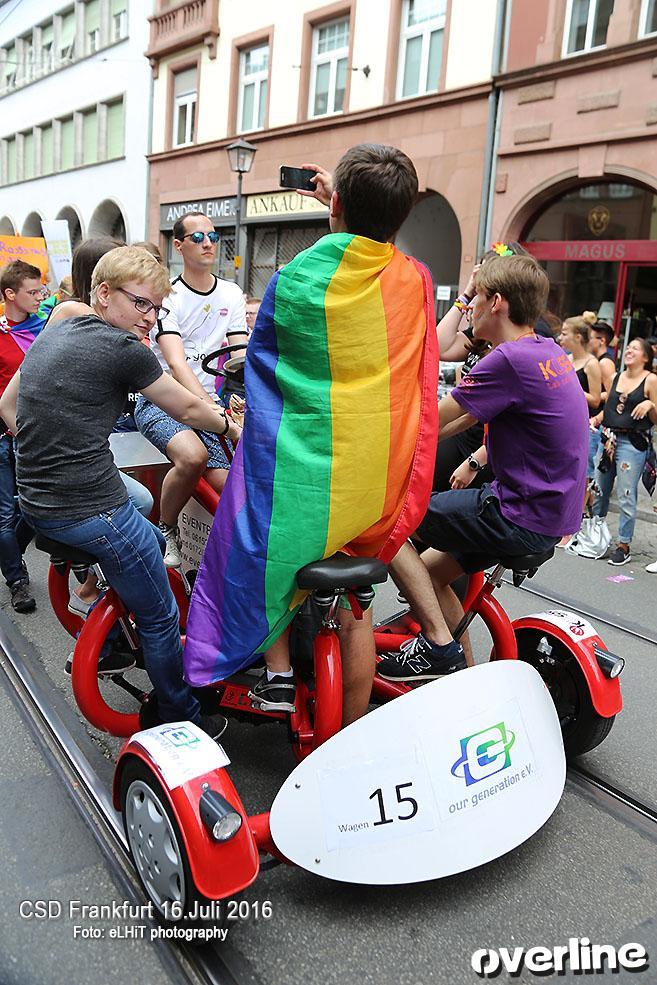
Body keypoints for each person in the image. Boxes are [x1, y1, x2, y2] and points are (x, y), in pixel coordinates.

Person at [184, 145, 439, 724]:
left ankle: (267, 675)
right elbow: (382, 256)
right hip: (373, 495)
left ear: (337, 201)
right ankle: (348, 732)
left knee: (242, 541)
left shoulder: (295, 278)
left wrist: (339, 210)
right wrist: (350, 209)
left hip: (301, 497)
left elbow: (264, 370)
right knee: (354, 610)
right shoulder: (415, 279)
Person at [0, 247, 240, 732]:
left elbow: (8, 404)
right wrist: (234, 429)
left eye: (157, 308)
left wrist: (47, 454)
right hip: (89, 508)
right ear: (105, 293)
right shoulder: (124, 349)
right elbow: (188, 410)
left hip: (37, 501)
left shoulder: (61, 321)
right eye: (141, 303)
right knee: (161, 614)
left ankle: (107, 629)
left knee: (146, 512)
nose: (149, 318)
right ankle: (181, 714)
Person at [377, 254, 589, 682]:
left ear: (496, 302)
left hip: (518, 514)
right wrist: (417, 442)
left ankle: (438, 646)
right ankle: (462, 673)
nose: (470, 305)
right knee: (429, 574)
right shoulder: (545, 351)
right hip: (548, 515)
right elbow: (466, 416)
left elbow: (431, 417)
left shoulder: (508, 359)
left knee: (386, 520)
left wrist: (377, 441)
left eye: (476, 296)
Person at [134, 212, 248, 567]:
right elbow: (177, 363)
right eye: (198, 238)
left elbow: (240, 358)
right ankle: (166, 528)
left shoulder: (231, 292)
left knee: (232, 484)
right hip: (164, 401)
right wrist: (211, 408)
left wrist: (242, 402)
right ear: (179, 246)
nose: (208, 243)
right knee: (193, 457)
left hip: (212, 406)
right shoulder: (167, 296)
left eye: (213, 236)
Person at [0, 260, 49, 613]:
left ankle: (9, 552)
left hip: (39, 435)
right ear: (10, 294)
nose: (40, 298)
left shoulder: (46, 329)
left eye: (41, 290)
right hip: (3, 437)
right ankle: (17, 581)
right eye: (32, 292)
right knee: (4, 516)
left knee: (35, 510)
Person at [589, 337, 657, 566]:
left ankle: (623, 545)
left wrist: (650, 404)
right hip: (608, 440)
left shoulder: (651, 379)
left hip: (632, 443)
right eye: (628, 348)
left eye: (635, 349)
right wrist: (596, 419)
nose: (629, 351)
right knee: (600, 489)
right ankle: (596, 537)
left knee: (627, 494)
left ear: (645, 357)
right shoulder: (616, 377)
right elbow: (609, 407)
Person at [558, 316, 602, 511]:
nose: (560, 338)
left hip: (584, 425)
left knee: (581, 473)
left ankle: (577, 513)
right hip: (564, 422)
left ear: (578, 337)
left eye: (564, 333)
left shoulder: (591, 364)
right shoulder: (566, 359)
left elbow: (595, 399)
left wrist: (571, 388)